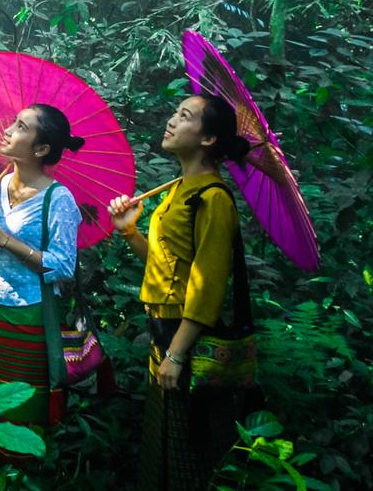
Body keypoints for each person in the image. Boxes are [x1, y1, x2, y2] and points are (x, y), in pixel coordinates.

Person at [106, 93, 252, 491]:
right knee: (164, 441)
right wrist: (130, 230)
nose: (172, 120)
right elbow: (164, 264)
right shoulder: (178, 190)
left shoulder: (213, 198)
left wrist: (176, 352)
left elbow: (208, 284)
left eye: (185, 116)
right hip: (163, 330)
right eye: (175, 112)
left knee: (192, 444)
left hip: (185, 336)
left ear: (207, 140)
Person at [0, 103, 84, 446]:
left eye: (20, 126)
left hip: (34, 313)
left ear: (41, 149)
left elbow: (62, 268)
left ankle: (27, 468)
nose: (8, 130)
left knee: (27, 402)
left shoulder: (57, 200)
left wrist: (3, 239)